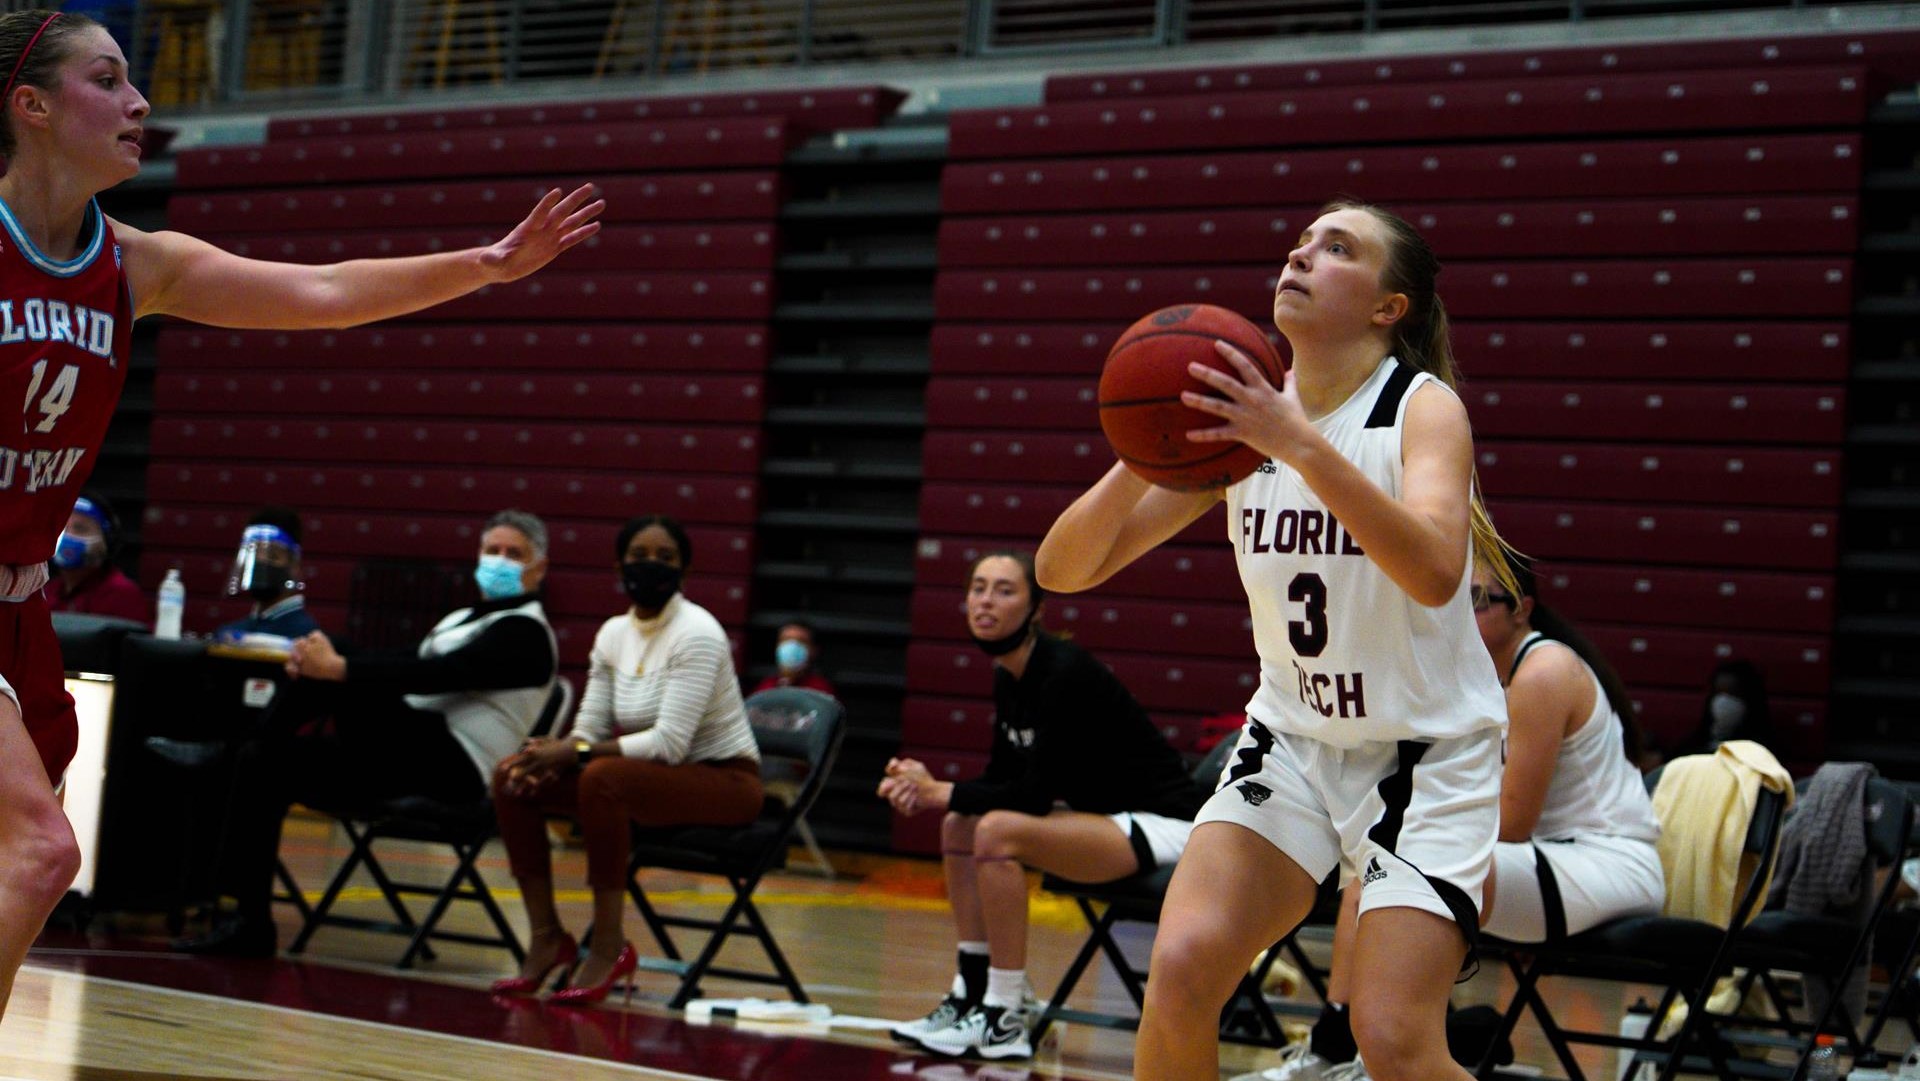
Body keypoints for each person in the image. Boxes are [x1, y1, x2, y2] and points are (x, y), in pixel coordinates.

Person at [0, 7, 599, 1013]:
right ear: (31, 105)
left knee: (25, 858)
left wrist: (485, 266)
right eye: (107, 80)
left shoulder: (135, 264)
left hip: (23, 611)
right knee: (41, 851)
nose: (139, 100)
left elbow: (322, 291)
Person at [1036, 200, 1517, 1081]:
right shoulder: (1247, 421)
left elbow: (1436, 569)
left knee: (1395, 1040)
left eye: (1339, 249)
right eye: (1301, 242)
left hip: (1426, 754)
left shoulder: (1420, 408)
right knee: (1180, 971)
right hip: (1292, 741)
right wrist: (1151, 442)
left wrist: (1294, 443)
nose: (1303, 255)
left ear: (1388, 306)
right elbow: (1062, 571)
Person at [1241, 556, 1663, 1081]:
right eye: (1456, 600)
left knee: (1399, 871)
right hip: (1544, 859)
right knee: (1387, 867)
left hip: (1607, 860)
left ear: (1522, 611)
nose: (1463, 614)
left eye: (1480, 601)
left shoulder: (1543, 672)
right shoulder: (1466, 679)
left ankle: (1366, 1054)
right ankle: (1350, 1050)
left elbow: (1511, 822)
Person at [174, 510, 562, 956]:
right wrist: (337, 668)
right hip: (403, 758)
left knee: (337, 654)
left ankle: (230, 746)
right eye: (492, 550)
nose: (499, 560)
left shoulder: (527, 632)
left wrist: (340, 668)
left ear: (540, 568)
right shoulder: (462, 619)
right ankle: (248, 922)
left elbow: (434, 674)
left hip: (456, 773)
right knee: (262, 763)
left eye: (514, 554)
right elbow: (400, 659)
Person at [878, 551, 1210, 1060]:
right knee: (959, 826)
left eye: (1005, 590)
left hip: (1166, 825)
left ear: (1036, 609)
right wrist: (932, 793)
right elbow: (1000, 778)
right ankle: (972, 989)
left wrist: (937, 788)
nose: (987, 601)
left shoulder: (1063, 671)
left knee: (994, 829)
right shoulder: (1009, 675)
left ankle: (1007, 1012)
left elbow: (1032, 795)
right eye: (979, 588)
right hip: (1106, 823)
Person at [490, 514, 763, 1005]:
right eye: (639, 557)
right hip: (651, 778)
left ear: (686, 570)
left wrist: (573, 752)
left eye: (665, 558)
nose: (651, 567)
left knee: (601, 776)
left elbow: (670, 744)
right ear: (619, 566)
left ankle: (610, 945)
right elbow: (590, 728)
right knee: (513, 777)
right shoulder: (613, 632)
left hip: (726, 783)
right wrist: (551, 756)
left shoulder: (698, 632)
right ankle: (548, 937)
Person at [41, 491, 145, 624]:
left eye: (80, 528)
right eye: (62, 528)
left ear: (107, 539)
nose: (68, 536)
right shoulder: (45, 591)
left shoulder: (122, 595)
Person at [214, 506, 317, 641]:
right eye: (254, 554)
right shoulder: (230, 633)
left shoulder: (306, 638)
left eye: (272, 555)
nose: (260, 563)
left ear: (294, 566)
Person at [1671, 658, 1773, 760]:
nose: (1723, 701)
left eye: (1732, 694)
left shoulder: (1759, 753)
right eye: (1718, 693)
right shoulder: (1692, 746)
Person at [752, 620, 836, 696]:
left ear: (814, 650)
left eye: (801, 641)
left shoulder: (821, 691)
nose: (792, 646)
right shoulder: (765, 687)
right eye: (786, 640)